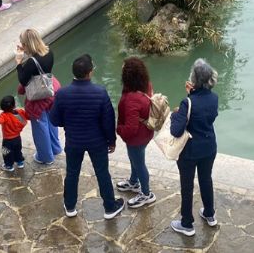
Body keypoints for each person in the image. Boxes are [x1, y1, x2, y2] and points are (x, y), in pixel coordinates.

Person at [49, 54, 125, 219]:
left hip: (74, 141)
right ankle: (110, 207)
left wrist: (68, 124)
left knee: (72, 173)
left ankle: (70, 206)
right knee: (102, 172)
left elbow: (54, 119)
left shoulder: (62, 93)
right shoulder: (100, 92)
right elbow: (108, 120)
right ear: (89, 73)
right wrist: (111, 141)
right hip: (97, 142)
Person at [169, 59, 219, 237]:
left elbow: (176, 131)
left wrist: (176, 115)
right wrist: (192, 95)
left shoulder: (187, 102)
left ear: (193, 79)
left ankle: (187, 224)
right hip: (209, 147)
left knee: (187, 186)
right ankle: (209, 214)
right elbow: (206, 113)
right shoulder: (214, 98)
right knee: (206, 179)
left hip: (190, 151)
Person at [15, 29, 62, 164]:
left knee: (40, 126)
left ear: (27, 44)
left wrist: (18, 62)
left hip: (38, 96)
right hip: (50, 90)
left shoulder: (31, 62)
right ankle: (55, 148)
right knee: (51, 121)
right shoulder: (49, 52)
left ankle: (45, 157)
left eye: (23, 44)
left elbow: (23, 79)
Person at [116, 57, 156, 208]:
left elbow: (130, 129)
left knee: (139, 164)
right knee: (134, 159)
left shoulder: (132, 99)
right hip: (145, 133)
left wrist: (118, 129)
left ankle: (146, 194)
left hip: (136, 137)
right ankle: (133, 182)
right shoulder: (145, 86)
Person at [0, 96, 28, 171]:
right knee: (18, 150)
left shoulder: (4, 115)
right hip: (17, 138)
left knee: (6, 152)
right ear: (14, 105)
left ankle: (9, 166)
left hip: (8, 140)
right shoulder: (19, 112)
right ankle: (20, 163)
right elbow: (24, 120)